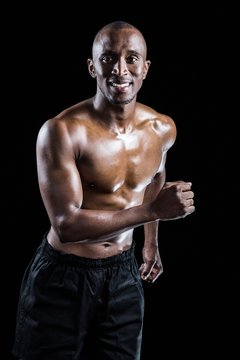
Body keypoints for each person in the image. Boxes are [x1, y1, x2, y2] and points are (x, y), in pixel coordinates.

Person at [12, 20, 195, 360]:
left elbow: (155, 176)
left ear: (146, 68)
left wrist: (151, 244)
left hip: (123, 275)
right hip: (62, 277)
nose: (120, 69)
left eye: (132, 58)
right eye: (109, 58)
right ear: (92, 66)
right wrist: (153, 212)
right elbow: (66, 225)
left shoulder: (161, 128)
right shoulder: (62, 132)